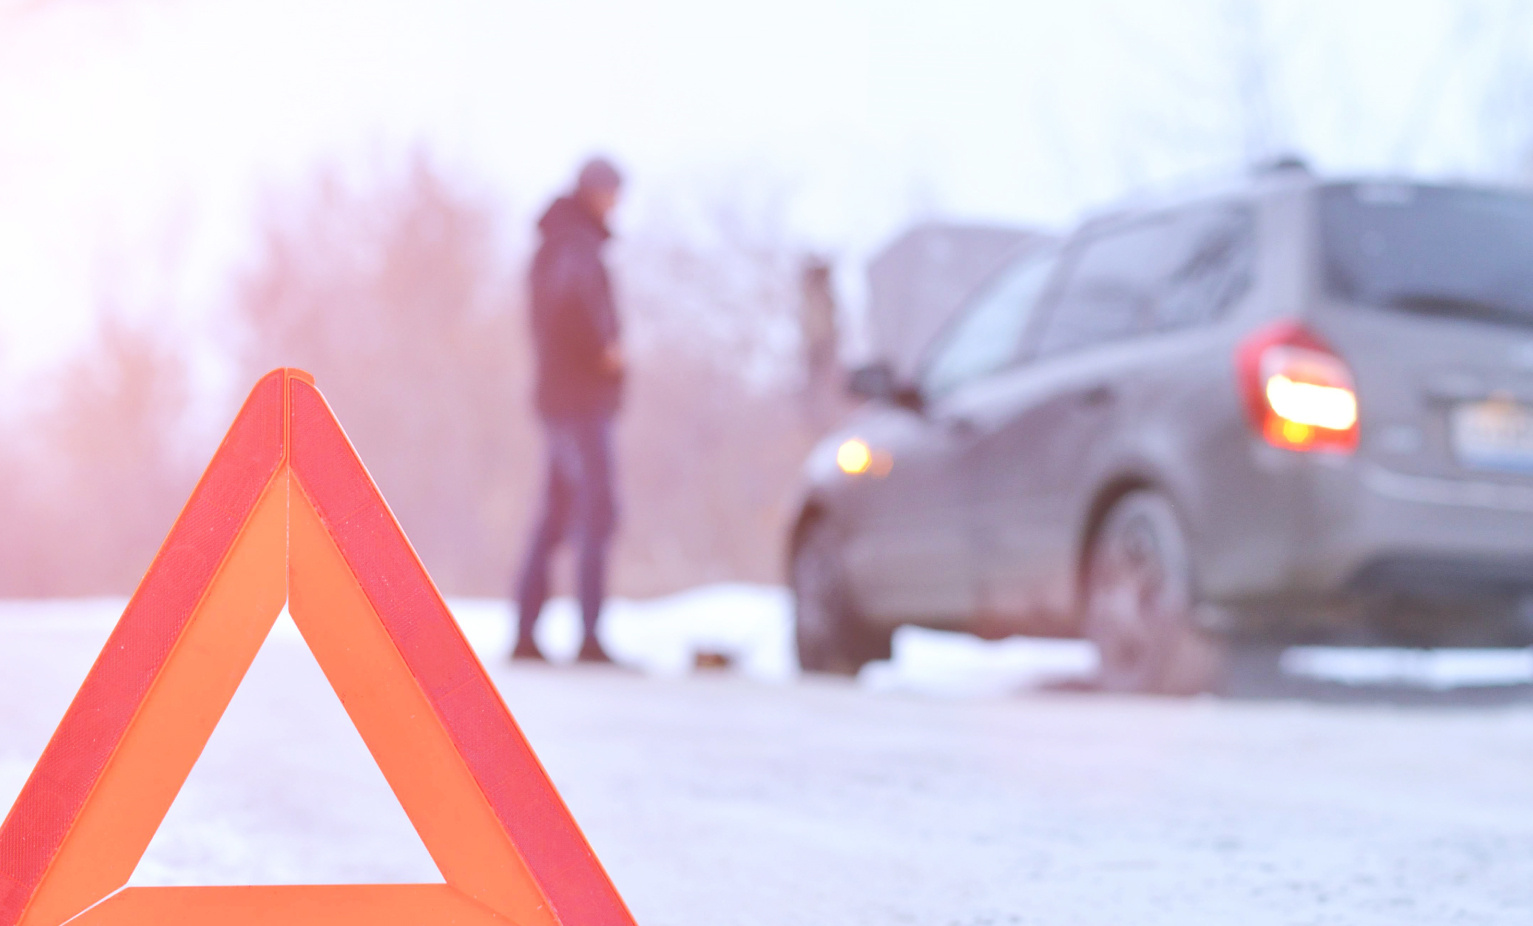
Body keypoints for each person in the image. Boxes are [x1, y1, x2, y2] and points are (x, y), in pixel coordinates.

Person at [511, 157, 625, 664]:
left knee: (558, 513)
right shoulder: (574, 246)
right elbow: (571, 303)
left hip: (561, 399)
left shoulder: (560, 241)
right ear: (596, 193)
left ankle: (526, 632)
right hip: (578, 401)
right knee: (594, 510)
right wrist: (603, 347)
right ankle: (590, 638)